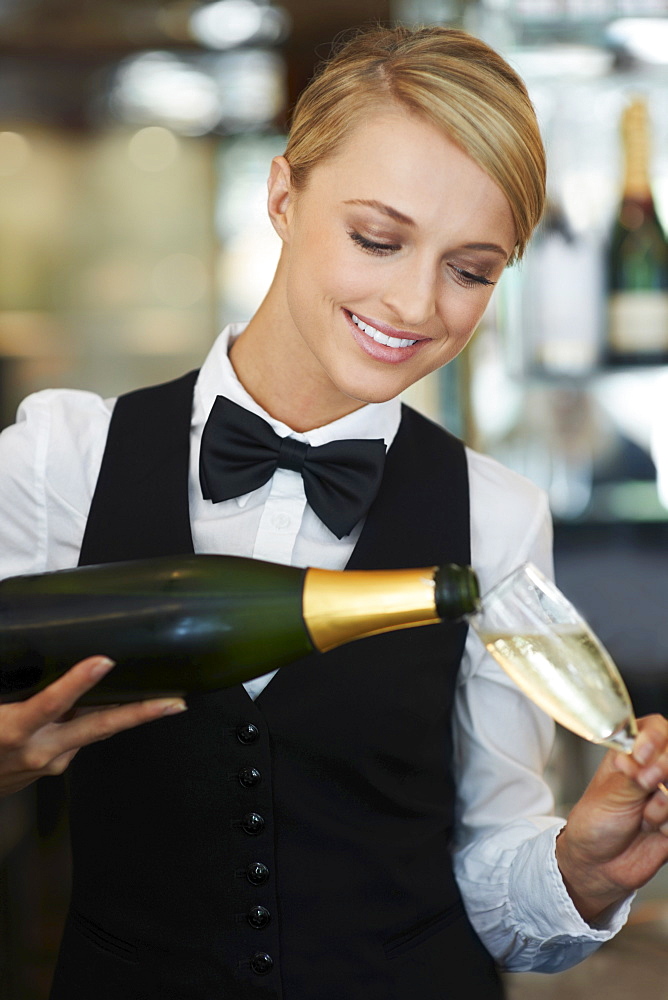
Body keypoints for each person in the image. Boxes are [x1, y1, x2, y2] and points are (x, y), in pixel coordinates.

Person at [1, 23, 668, 1000]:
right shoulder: (64, 459)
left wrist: (581, 867)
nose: (414, 303)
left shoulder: (496, 513)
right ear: (282, 195)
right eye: (377, 238)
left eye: (470, 268)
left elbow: (493, 880)